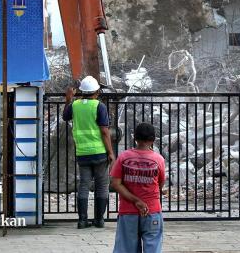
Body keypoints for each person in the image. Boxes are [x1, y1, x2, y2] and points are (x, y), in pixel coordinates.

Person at [62, 75, 115, 229]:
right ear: (96, 91)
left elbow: (65, 117)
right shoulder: (99, 106)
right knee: (101, 186)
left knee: (84, 186)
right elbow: (105, 132)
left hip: (82, 153)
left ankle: (82, 220)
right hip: (99, 153)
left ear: (81, 91)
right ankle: (99, 220)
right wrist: (110, 152)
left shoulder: (75, 105)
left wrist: (68, 100)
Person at [111, 123, 165, 253]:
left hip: (128, 211)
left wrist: (135, 200)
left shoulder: (123, 157)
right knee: (153, 247)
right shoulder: (158, 159)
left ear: (135, 138)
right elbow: (160, 183)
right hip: (152, 210)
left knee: (126, 248)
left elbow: (116, 183)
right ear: (153, 140)